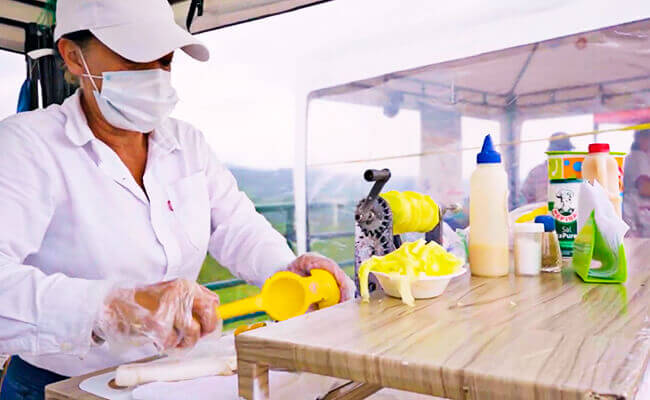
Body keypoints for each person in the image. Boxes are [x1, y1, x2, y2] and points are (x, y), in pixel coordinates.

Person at [0, 0, 354, 398]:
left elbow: (238, 227)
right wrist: (108, 307)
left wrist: (287, 272)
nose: (154, 75)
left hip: (171, 377)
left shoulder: (187, 144)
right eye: (136, 57)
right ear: (72, 56)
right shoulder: (26, 146)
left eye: (165, 61)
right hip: (59, 387)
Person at [521, 132, 575, 204]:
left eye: (566, 150)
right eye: (560, 150)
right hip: (541, 209)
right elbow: (526, 196)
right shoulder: (536, 172)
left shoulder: (576, 173)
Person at [623, 129, 650, 237]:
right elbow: (644, 188)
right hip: (636, 215)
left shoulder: (634, 157)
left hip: (634, 215)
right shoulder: (638, 157)